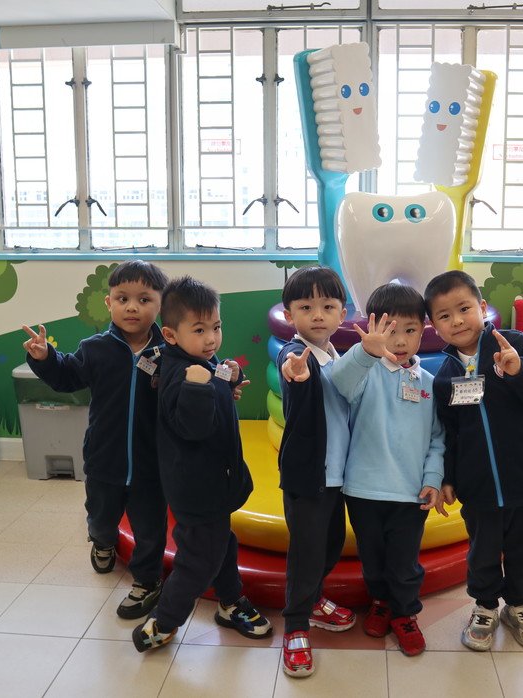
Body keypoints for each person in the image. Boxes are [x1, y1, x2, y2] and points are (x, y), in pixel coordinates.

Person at [424, 270, 523, 652]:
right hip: (479, 488)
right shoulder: (444, 377)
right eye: (445, 315)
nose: (457, 321)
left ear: (482, 307)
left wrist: (520, 369)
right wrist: (449, 477)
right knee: (482, 553)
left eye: (464, 309)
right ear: (434, 325)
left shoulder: (515, 344)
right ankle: (485, 607)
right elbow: (450, 433)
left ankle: (519, 606)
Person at [22, 259, 169, 621]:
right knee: (102, 518)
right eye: (122, 298)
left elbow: (204, 370)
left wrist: (227, 380)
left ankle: (147, 581)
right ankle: (102, 543)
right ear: (109, 303)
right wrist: (45, 357)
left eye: (144, 299)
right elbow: (66, 376)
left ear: (160, 304)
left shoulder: (170, 351)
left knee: (150, 528)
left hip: (153, 463)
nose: (132, 307)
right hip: (104, 458)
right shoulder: (95, 348)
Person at [132, 275, 271, 652]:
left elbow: (216, 386)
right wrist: (197, 387)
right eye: (199, 330)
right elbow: (191, 428)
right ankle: (163, 622)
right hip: (197, 488)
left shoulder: (200, 362)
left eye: (216, 327)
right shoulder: (179, 373)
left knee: (220, 543)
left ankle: (230, 602)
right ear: (171, 335)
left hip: (214, 481)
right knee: (198, 560)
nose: (211, 338)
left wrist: (230, 379)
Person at [331, 282, 444, 658]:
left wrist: (433, 479)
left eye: (410, 330)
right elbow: (339, 381)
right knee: (373, 557)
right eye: (389, 330)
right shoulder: (365, 371)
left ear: (423, 331)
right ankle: (380, 601)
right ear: (372, 327)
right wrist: (365, 350)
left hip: (410, 493)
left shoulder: (428, 383)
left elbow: (437, 439)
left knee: (404, 561)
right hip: (363, 490)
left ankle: (405, 613)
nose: (399, 340)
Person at [275, 266, 357, 678]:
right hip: (308, 476)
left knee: (331, 544)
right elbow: (294, 372)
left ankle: (314, 599)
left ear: (342, 313)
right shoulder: (295, 353)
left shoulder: (337, 355)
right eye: (306, 307)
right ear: (289, 315)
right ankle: (295, 625)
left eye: (327, 306)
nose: (318, 315)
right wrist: (297, 375)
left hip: (338, 474)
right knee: (306, 553)